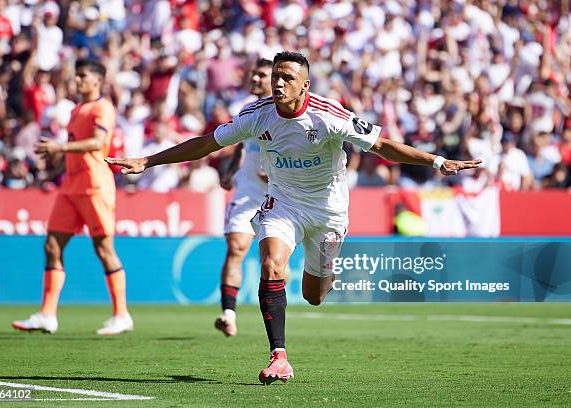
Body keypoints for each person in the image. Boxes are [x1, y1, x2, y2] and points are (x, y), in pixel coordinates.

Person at [106, 51, 480, 384]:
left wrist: (437, 161)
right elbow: (206, 143)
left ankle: (327, 272)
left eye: (287, 78)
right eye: (275, 77)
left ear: (305, 85)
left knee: (314, 295)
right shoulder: (256, 115)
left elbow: (381, 146)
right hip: (283, 203)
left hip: (329, 210)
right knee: (271, 265)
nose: (278, 83)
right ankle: (279, 356)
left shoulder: (329, 114)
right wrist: (147, 160)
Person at [12, 59, 133, 336]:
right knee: (52, 245)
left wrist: (60, 146)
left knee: (104, 249)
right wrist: (51, 168)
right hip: (70, 185)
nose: (77, 81)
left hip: (95, 185)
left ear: (97, 81)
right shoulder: (76, 109)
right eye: (76, 76)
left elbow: (94, 142)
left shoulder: (103, 108)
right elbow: (74, 148)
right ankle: (47, 315)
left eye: (82, 76)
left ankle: (122, 314)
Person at [215, 58, 272, 337]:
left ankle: (273, 319)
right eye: (254, 74)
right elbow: (240, 144)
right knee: (236, 247)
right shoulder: (247, 109)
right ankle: (228, 314)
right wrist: (230, 170)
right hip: (248, 188)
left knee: (273, 260)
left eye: (261, 75)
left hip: (280, 194)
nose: (255, 79)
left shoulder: (287, 112)